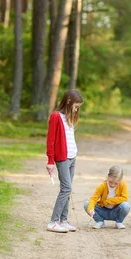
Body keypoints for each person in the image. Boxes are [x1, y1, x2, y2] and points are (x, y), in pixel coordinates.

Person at [46, 89, 84, 233]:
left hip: (72, 156)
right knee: (66, 189)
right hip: (62, 158)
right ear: (68, 102)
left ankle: (63, 220)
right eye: (76, 106)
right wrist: (50, 161)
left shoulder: (69, 118)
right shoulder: (56, 117)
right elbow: (51, 141)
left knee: (68, 189)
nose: (76, 110)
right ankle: (53, 222)